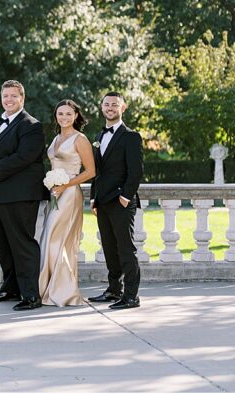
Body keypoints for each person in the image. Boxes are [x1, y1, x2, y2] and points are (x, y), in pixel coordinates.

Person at [0, 80, 47, 311]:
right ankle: (10, 288)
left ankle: (31, 295)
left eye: (13, 96)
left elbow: (24, 157)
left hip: (18, 195)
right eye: (5, 96)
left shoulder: (31, 125)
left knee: (22, 243)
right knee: (2, 244)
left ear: (22, 99)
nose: (8, 99)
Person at [88, 92, 143, 310]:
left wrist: (125, 197)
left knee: (126, 249)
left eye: (115, 104)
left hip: (121, 201)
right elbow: (97, 172)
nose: (110, 107)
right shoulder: (99, 135)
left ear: (123, 108)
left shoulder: (131, 136)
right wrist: (94, 197)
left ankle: (131, 296)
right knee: (109, 249)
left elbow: (136, 171)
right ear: (101, 107)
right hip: (102, 201)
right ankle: (114, 290)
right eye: (107, 104)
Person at [38, 99, 96, 307]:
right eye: (60, 114)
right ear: (56, 116)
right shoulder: (55, 139)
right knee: (49, 238)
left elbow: (90, 171)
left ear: (76, 116)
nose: (64, 117)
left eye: (68, 114)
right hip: (56, 193)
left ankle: (63, 292)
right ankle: (48, 287)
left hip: (70, 194)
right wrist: (54, 185)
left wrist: (65, 185)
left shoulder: (80, 139)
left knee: (60, 241)